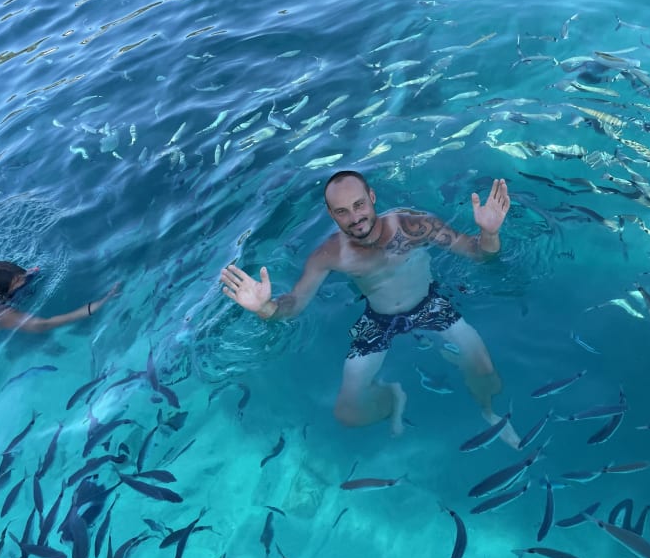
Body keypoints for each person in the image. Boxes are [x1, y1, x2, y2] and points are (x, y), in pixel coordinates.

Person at [220, 170, 519, 446]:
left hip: (430, 305)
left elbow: (479, 254)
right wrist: (265, 307)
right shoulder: (330, 254)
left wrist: (489, 234)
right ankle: (392, 396)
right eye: (342, 211)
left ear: (372, 197)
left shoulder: (414, 226)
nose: (354, 218)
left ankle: (488, 412)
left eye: (359, 205)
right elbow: (295, 305)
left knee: (484, 370)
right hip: (378, 321)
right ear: (331, 214)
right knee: (348, 413)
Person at [0, 260, 119, 332]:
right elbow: (42, 325)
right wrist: (102, 302)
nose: (24, 279)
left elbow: (27, 274)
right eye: (17, 281)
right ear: (2, 292)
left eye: (20, 275)